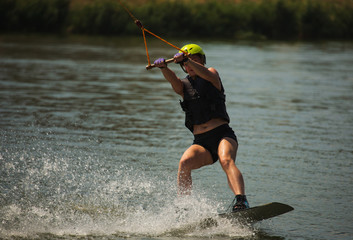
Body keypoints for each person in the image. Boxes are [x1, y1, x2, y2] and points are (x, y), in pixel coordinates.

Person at [153, 44, 249, 211]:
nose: (189, 66)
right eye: (186, 64)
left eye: (193, 61)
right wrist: (163, 68)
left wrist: (187, 59)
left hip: (223, 135)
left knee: (226, 160)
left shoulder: (211, 75)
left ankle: (241, 201)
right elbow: (174, 82)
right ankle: (185, 208)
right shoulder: (184, 85)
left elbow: (205, 72)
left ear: (201, 61)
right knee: (184, 163)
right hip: (201, 142)